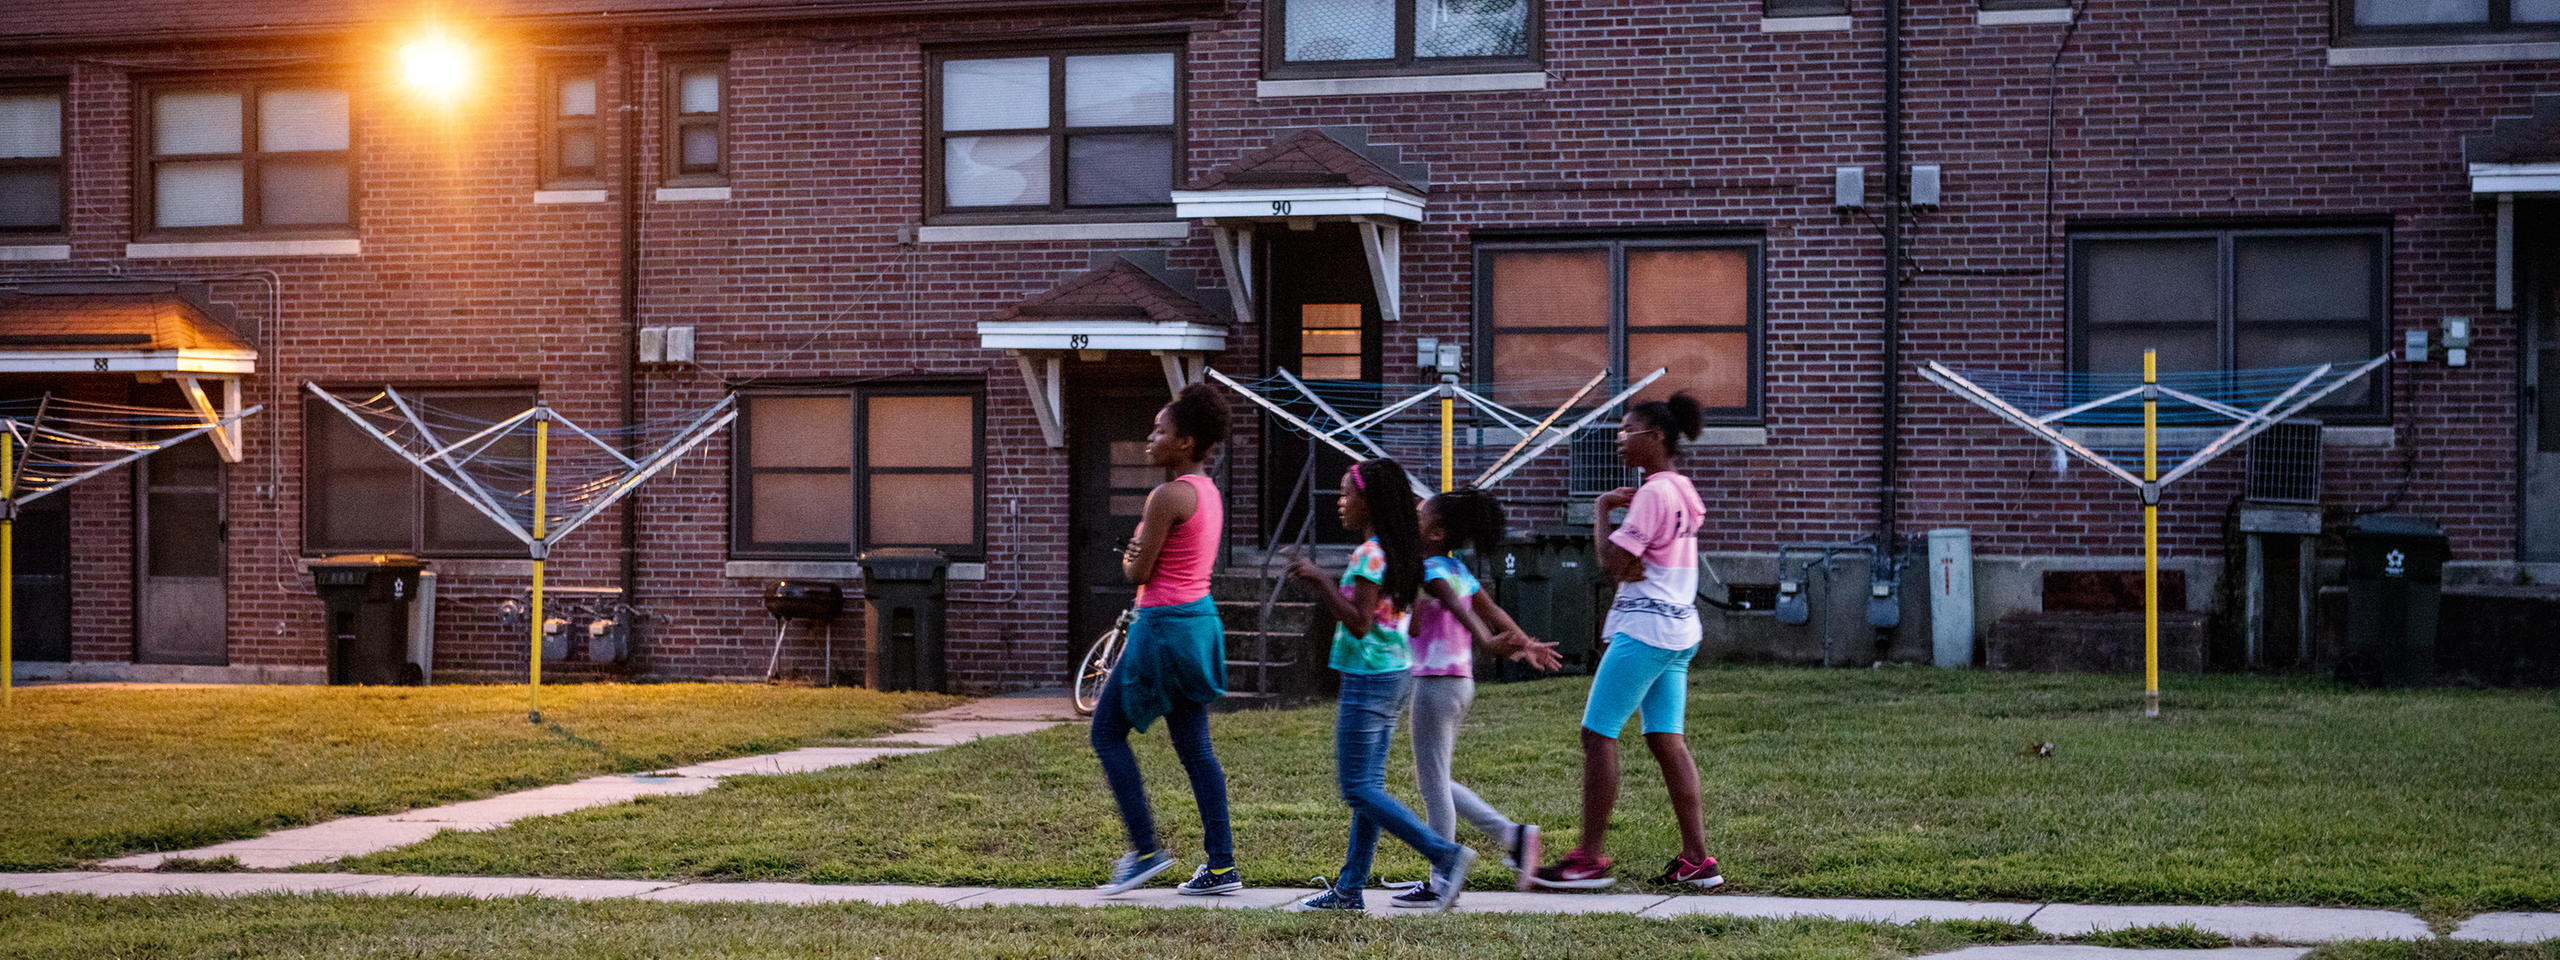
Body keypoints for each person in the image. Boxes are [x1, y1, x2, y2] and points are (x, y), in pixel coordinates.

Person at [1532, 391, 1725, 891]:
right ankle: (1697, 860)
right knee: (1666, 740)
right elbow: (1639, 561)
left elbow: (1615, 565)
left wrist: (1601, 511)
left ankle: (1589, 859)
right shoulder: (1683, 490)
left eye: (1627, 431)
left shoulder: (1654, 494)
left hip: (1645, 631)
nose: (1619, 439)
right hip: (1680, 631)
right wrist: (1632, 558)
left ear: (1655, 437)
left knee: (1598, 734)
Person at [1281, 458, 1478, 913]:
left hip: (1369, 678)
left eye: (1347, 493)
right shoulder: (1398, 550)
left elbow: (1359, 623)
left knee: (1357, 788)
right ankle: (1349, 890)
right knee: (1367, 787)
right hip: (1394, 675)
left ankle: (1445, 855)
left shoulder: (1370, 554)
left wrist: (1321, 582)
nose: (1340, 502)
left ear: (1369, 499)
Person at [1090, 382, 1240, 897]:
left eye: (1161, 430)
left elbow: (1138, 571)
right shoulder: (1208, 493)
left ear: (1187, 442)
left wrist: (1129, 555)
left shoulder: (1167, 495)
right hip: (1198, 622)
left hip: (1162, 626)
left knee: (1106, 733)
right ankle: (1222, 866)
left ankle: (1146, 851)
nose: (1151, 437)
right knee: (1196, 747)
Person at [1387, 486, 1565, 908]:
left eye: (1419, 516)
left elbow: (1418, 630)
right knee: (1435, 778)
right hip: (1459, 684)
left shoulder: (1430, 571)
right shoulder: (1457, 569)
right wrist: (1527, 642)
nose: (1413, 519)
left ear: (1437, 531)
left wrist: (1407, 596)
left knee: (1432, 785)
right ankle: (1513, 836)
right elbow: (1494, 612)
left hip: (1434, 683)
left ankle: (1441, 877)